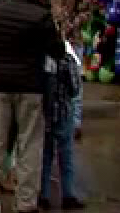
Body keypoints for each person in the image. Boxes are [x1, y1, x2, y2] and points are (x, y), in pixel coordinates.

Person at [0, 0, 64, 213]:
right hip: (30, 88)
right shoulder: (42, 17)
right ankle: (26, 203)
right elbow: (57, 51)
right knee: (29, 146)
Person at [39, 40, 85, 210]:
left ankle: (43, 195)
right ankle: (68, 195)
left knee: (45, 158)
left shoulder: (42, 62)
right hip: (64, 114)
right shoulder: (69, 62)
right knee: (66, 158)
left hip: (47, 116)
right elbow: (75, 89)